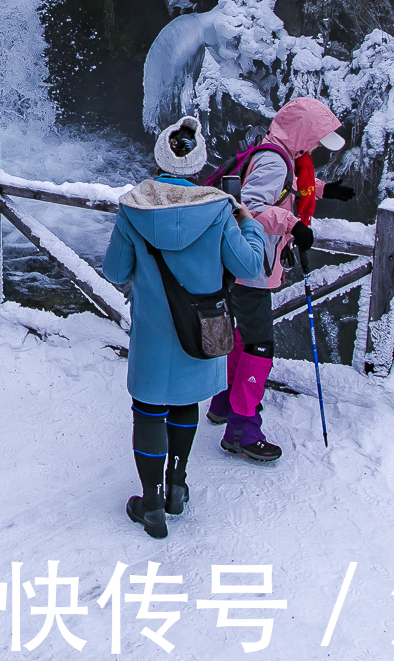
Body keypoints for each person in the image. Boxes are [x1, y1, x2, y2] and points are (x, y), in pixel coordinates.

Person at [102, 116, 268, 538]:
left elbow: (115, 269)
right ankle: (177, 488)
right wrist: (249, 222)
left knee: (149, 410)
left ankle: (152, 505)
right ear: (198, 162)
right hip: (201, 330)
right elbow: (250, 265)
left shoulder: (133, 207)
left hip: (155, 333)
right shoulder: (218, 210)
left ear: (159, 154)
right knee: (184, 406)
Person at [203, 97, 353, 463]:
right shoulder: (275, 159)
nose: (318, 146)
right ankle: (241, 429)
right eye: (317, 138)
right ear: (302, 132)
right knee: (260, 346)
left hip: (246, 264)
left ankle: (223, 402)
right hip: (253, 265)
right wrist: (293, 225)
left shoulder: (279, 152)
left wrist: (323, 189)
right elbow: (249, 208)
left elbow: (285, 188)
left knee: (243, 336)